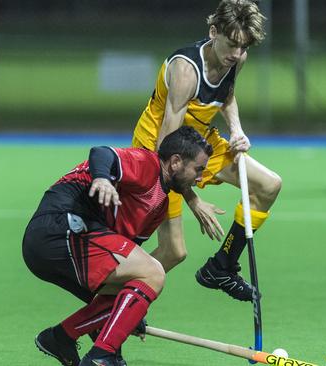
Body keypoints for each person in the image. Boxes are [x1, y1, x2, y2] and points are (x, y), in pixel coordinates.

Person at [23, 126, 213, 366]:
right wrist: (102, 178)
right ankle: (101, 357)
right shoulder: (148, 164)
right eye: (198, 169)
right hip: (59, 227)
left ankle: (61, 337)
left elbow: (129, 260)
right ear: (175, 162)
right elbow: (102, 153)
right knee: (154, 272)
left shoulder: (159, 205)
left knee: (132, 289)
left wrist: (128, 313)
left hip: (69, 240)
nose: (200, 178)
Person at [131, 0, 281, 302]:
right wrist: (193, 199)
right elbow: (168, 150)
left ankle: (221, 267)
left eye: (243, 47)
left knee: (269, 185)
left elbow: (227, 95)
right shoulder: (185, 71)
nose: (237, 54)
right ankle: (113, 305)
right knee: (174, 251)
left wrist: (236, 130)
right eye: (232, 45)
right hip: (158, 153)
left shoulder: (237, 58)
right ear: (214, 31)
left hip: (199, 143)